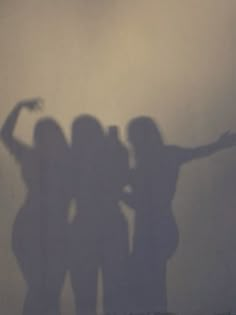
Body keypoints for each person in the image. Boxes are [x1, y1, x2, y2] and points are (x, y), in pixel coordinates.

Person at [123, 116, 236, 313]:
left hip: (150, 232)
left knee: (146, 281)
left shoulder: (144, 167)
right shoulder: (168, 155)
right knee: (154, 278)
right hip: (164, 228)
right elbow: (199, 152)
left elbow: (141, 203)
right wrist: (220, 144)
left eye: (132, 138)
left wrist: (119, 193)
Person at [1, 99, 71, 315]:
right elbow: (5, 135)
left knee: (45, 291)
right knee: (43, 290)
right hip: (34, 229)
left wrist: (19, 107)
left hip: (48, 230)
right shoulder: (38, 158)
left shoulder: (67, 163)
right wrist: (18, 107)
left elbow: (5, 135)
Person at [69, 116, 129, 315]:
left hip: (86, 226)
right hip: (107, 224)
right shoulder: (111, 153)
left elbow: (119, 179)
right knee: (112, 291)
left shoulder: (73, 159)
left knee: (87, 295)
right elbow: (121, 180)